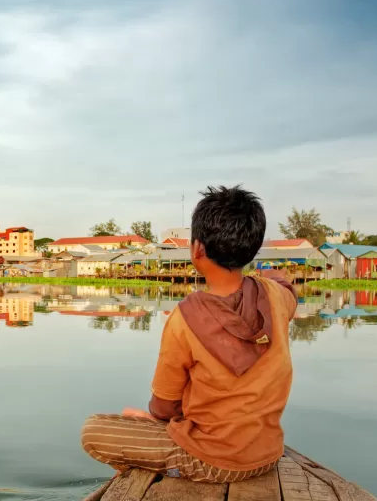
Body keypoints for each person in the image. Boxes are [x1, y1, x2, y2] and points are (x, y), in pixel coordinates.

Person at [81, 186, 298, 482]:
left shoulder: (185, 317)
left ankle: (173, 469)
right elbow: (286, 286)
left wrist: (155, 422)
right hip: (267, 455)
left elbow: (164, 406)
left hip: (212, 461)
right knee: (140, 417)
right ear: (252, 248)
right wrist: (270, 278)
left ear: (196, 249)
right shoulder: (276, 297)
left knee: (93, 430)